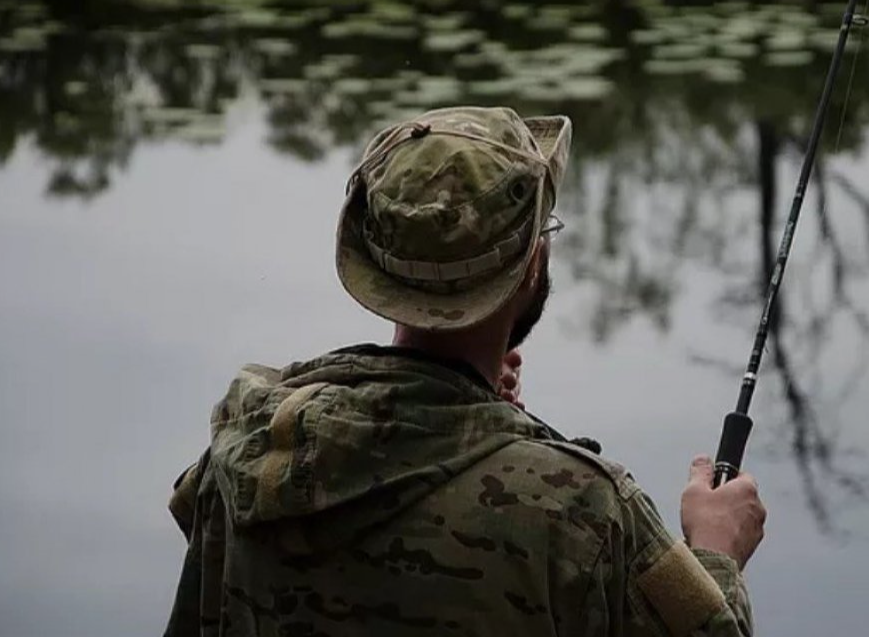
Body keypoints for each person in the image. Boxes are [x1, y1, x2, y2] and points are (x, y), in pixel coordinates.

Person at [165, 106, 766, 636]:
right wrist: (717, 554)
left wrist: (479, 418)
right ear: (530, 267)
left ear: (377, 269)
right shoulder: (586, 511)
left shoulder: (246, 455)